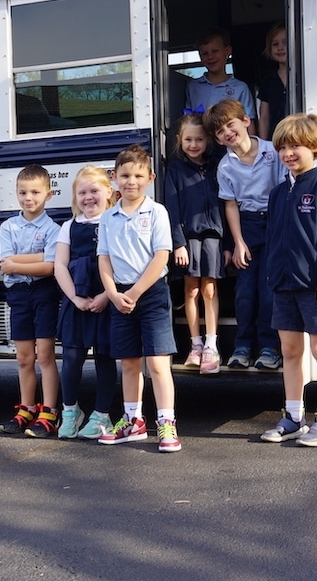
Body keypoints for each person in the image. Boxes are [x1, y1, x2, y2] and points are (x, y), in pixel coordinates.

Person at [261, 114, 317, 447]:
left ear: (314, 147)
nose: (288, 153)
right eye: (283, 146)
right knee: (290, 351)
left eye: (295, 145)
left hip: (316, 287)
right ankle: (294, 417)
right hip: (284, 286)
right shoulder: (279, 192)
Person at [97, 145, 182, 453]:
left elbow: (162, 257)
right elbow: (103, 259)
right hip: (120, 296)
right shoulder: (108, 217)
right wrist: (113, 294)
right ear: (114, 178)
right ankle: (133, 420)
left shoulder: (157, 211)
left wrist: (133, 293)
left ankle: (166, 422)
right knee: (129, 362)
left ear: (150, 177)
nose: (130, 181)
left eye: (137, 175)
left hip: (151, 294)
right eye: (124, 175)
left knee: (158, 364)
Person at [205, 99, 287, 370]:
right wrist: (238, 242)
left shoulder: (272, 153)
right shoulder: (226, 167)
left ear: (246, 121)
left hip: (273, 221)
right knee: (244, 292)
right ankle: (242, 346)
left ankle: (268, 347)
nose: (227, 132)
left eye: (231, 124)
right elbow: (230, 205)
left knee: (267, 291)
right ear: (217, 140)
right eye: (220, 132)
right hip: (247, 225)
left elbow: (283, 190)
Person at [0, 165, 62, 438]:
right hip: (19, 296)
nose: (28, 198)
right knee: (24, 358)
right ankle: (26, 408)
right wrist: (39, 258)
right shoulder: (8, 226)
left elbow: (50, 267)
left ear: (48, 194)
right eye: (23, 192)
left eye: (35, 192)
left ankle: (49, 412)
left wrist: (19, 262)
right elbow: (4, 263)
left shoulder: (53, 228)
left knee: (45, 355)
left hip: (44, 292)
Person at [54, 165, 117, 441]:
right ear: (74, 197)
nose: (89, 197)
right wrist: (75, 298)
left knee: (105, 358)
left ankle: (102, 415)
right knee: (71, 358)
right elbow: (59, 265)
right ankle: (70, 411)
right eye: (82, 192)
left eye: (94, 191)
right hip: (77, 301)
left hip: (107, 298)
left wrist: (107, 295)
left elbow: (121, 262)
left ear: (109, 193)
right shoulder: (69, 227)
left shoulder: (115, 221)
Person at [163, 111, 225, 374]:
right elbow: (172, 208)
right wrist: (178, 243)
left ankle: (212, 345)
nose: (193, 145)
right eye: (188, 140)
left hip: (213, 236)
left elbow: (227, 204)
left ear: (208, 140)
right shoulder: (175, 169)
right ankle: (195, 344)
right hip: (187, 239)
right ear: (180, 139)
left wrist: (230, 244)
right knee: (191, 290)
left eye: (199, 139)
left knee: (209, 289)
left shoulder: (217, 165)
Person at [185, 28, 257, 127]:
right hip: (201, 141)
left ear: (227, 51)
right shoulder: (193, 87)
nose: (210, 57)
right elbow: (188, 121)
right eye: (205, 53)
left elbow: (248, 123)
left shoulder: (240, 88)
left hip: (230, 140)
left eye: (215, 51)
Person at [256, 23, 288, 140]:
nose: (280, 47)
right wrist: (264, 145)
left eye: (285, 42)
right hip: (275, 141)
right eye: (275, 44)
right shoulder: (268, 82)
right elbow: (264, 118)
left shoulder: (304, 75)